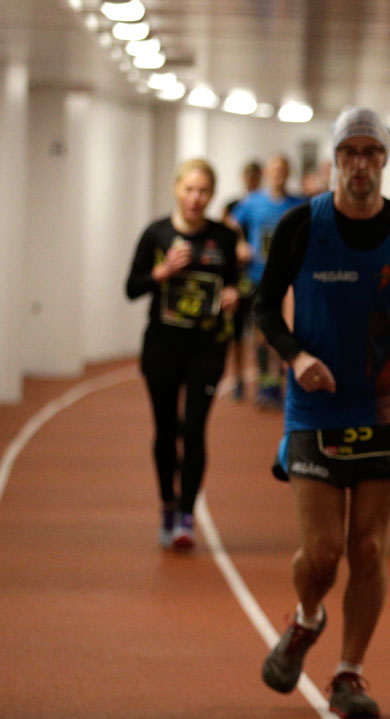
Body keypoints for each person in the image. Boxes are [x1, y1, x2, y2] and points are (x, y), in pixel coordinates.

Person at [254, 108, 390, 719]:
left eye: (372, 152)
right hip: (315, 405)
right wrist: (296, 358)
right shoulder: (300, 225)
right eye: (350, 153)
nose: (360, 164)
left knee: (367, 548)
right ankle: (307, 617)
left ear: (385, 160)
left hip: (386, 405)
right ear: (335, 161)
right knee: (322, 554)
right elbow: (264, 308)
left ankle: (349, 672)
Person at [125, 158, 241, 549]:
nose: (195, 198)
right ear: (177, 189)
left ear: (212, 195)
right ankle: (167, 504)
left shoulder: (224, 238)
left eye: (203, 191)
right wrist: (161, 273)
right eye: (189, 189)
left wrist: (234, 296)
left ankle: (187, 516)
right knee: (165, 431)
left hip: (206, 348)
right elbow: (131, 288)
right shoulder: (156, 234)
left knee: (193, 430)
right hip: (162, 348)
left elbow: (239, 285)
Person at [231, 153, 304, 409]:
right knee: (262, 332)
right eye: (273, 169)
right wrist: (240, 244)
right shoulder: (253, 202)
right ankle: (265, 384)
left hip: (289, 278)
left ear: (288, 173)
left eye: (282, 169)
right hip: (258, 276)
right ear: (266, 173)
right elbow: (230, 225)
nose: (278, 174)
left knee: (287, 329)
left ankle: (280, 383)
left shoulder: (298, 204)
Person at [221, 160, 262, 402]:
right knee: (235, 331)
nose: (251, 181)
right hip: (237, 277)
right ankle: (236, 378)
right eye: (248, 177)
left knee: (259, 329)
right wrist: (238, 246)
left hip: (258, 277)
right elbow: (224, 232)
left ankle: (262, 378)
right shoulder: (233, 206)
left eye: (255, 177)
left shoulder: (264, 205)